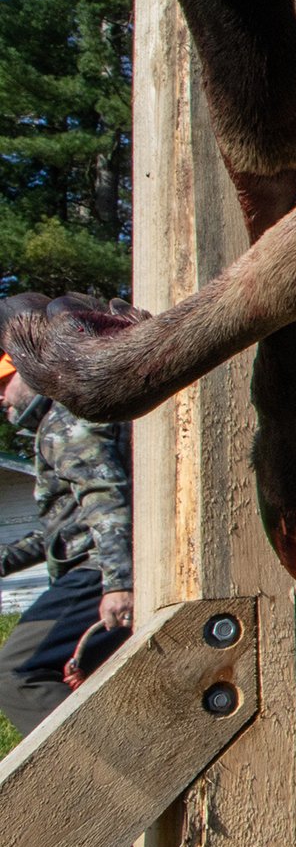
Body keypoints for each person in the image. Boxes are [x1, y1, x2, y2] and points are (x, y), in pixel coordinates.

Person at [0, 294, 135, 736]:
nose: (0, 397)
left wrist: (118, 583)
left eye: (4, 379)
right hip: (95, 565)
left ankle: (92, 787)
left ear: (33, 368)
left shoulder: (67, 420)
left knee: (18, 671)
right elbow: (64, 528)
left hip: (98, 570)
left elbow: (104, 495)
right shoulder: (59, 423)